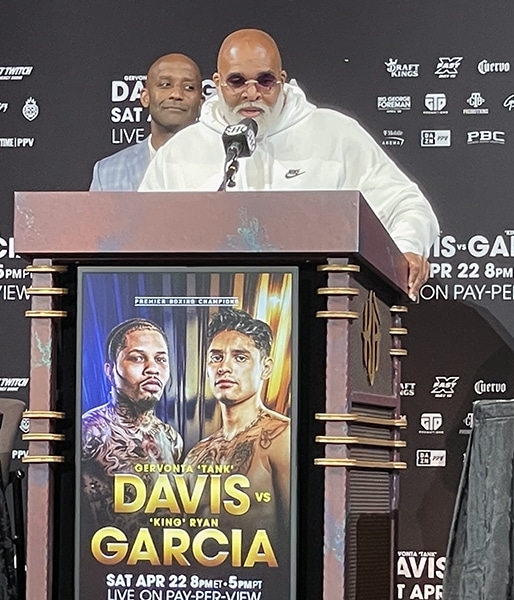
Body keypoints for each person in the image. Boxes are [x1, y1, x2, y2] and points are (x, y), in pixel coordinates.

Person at [138, 29, 439, 300]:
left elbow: (406, 204)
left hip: (319, 303)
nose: (252, 92)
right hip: (207, 305)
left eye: (265, 81)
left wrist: (406, 248)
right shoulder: (181, 151)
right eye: (237, 81)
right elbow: (139, 233)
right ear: (217, 84)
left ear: (281, 81)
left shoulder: (335, 134)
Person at [184, 308, 291, 568]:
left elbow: (298, 537)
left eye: (240, 357)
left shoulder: (281, 437)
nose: (224, 367)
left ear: (265, 368)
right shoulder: (195, 454)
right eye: (216, 357)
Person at [81, 318, 183, 529]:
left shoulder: (172, 438)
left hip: (165, 556)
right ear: (109, 371)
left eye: (161, 359)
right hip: (107, 555)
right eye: (137, 358)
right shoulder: (90, 431)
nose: (152, 369)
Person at [90, 53, 203, 190]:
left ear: (201, 102)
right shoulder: (106, 172)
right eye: (165, 85)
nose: (176, 94)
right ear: (145, 97)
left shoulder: (222, 165)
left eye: (188, 87)